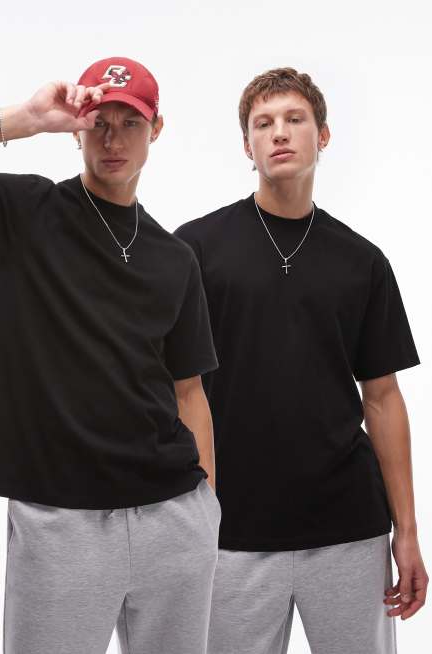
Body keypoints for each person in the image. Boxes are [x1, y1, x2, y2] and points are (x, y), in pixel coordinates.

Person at [0, 56, 221, 654]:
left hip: (175, 520)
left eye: (130, 123)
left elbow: (189, 391)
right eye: (98, 123)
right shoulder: (26, 213)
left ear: (156, 129)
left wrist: (208, 509)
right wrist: (24, 119)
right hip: (63, 523)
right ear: (77, 129)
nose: (113, 140)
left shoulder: (174, 257)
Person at [173, 67, 428, 654]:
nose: (280, 133)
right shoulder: (197, 249)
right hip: (230, 532)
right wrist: (187, 522)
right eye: (263, 124)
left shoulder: (362, 261)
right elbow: (173, 392)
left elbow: (383, 398)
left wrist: (408, 532)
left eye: (295, 119)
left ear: (324, 135)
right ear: (247, 146)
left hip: (348, 529)